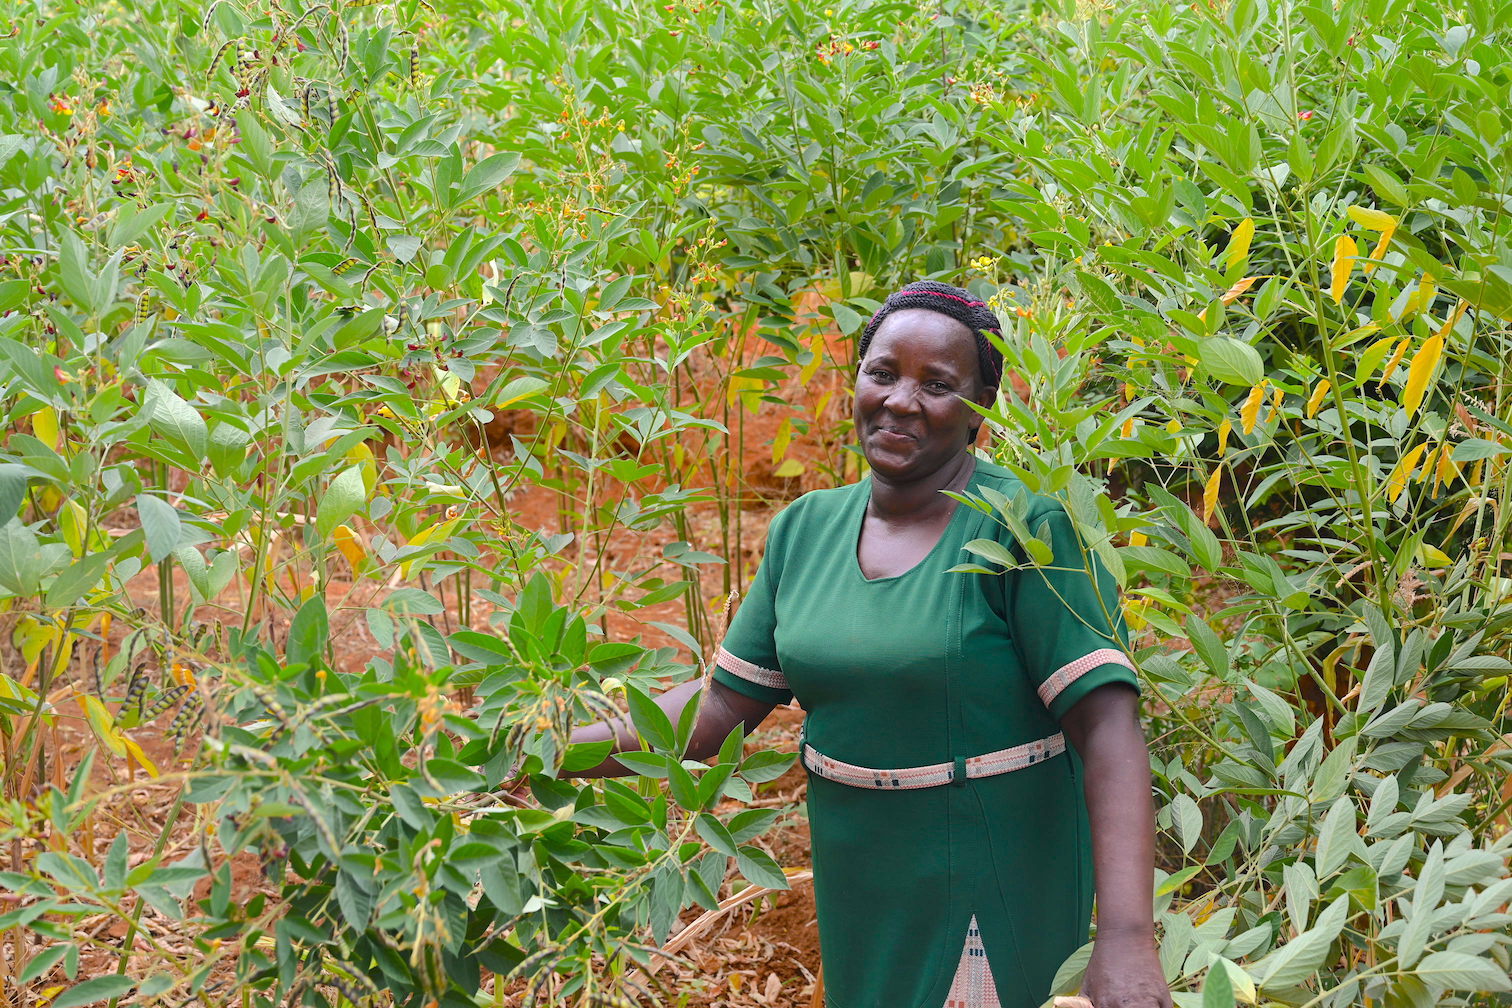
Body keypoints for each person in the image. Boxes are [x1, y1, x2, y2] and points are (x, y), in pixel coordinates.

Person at [562, 281, 1173, 1008]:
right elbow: (723, 704)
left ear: (980, 411)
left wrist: (1129, 937)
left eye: (939, 385)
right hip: (860, 883)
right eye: (882, 372)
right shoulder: (805, 530)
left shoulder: (1024, 531)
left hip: (987, 876)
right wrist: (557, 754)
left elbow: (1108, 730)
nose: (901, 400)